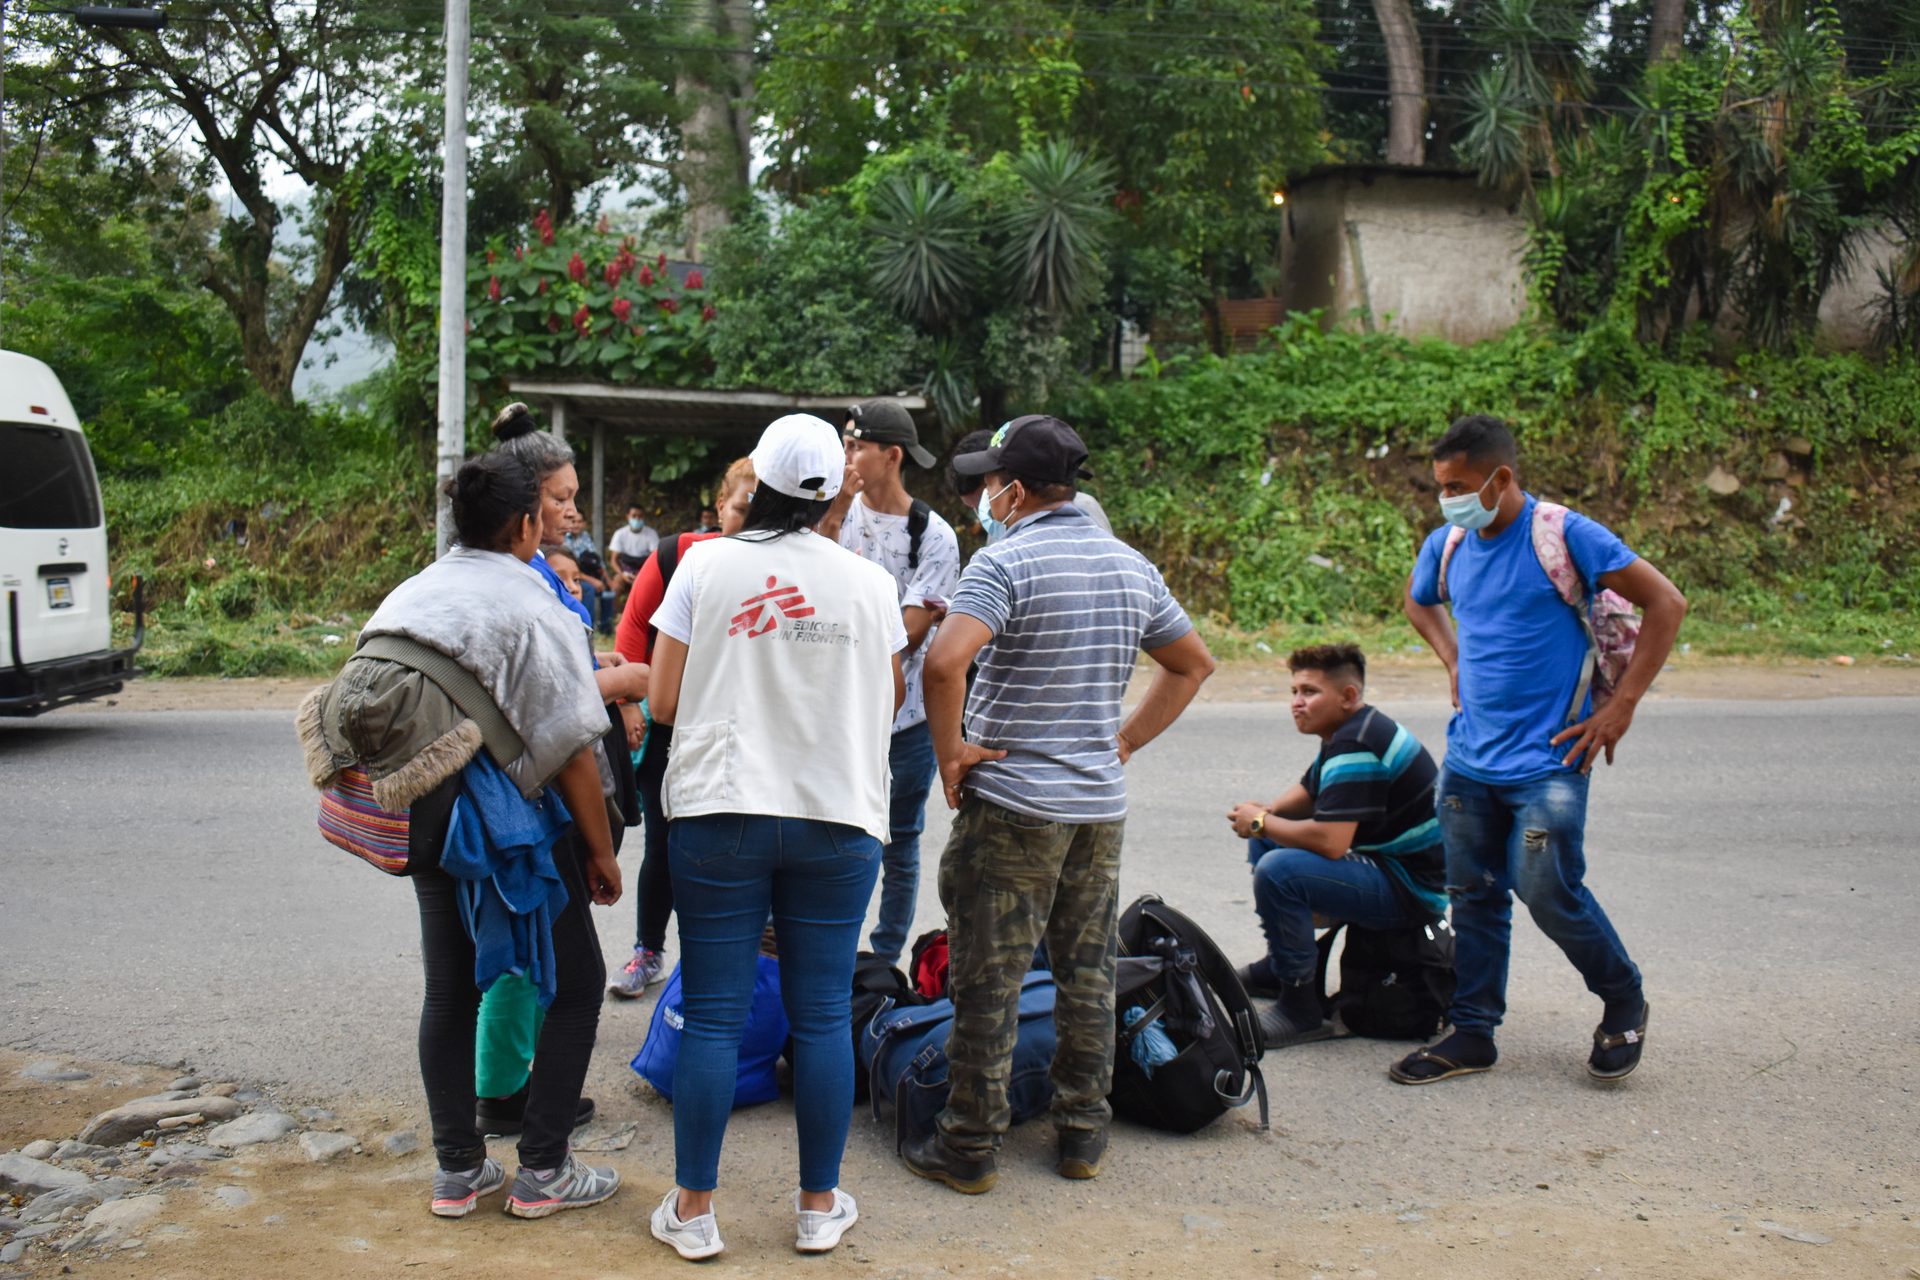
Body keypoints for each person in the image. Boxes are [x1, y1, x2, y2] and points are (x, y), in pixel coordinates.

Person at [300, 452, 623, 1219]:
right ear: (524, 525)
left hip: (408, 810)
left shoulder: (414, 588)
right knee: (576, 985)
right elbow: (574, 746)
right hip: (486, 821)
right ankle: (544, 1172)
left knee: (449, 987)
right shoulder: (531, 600)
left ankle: (459, 1172)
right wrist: (602, 853)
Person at [904, 415, 1215, 1194]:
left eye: (989, 483)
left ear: (1016, 488)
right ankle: (1082, 1135)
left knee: (988, 976)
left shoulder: (1003, 563)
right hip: (1095, 810)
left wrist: (951, 754)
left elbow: (944, 663)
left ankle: (969, 1144)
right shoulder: (1129, 565)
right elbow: (1191, 664)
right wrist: (1127, 740)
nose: (983, 496)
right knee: (1088, 972)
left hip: (1012, 805)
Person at [643, 415, 905, 1260]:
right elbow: (889, 696)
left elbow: (664, 703)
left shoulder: (704, 565)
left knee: (715, 1016)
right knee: (823, 1014)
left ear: (757, 482)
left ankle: (694, 1211)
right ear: (839, 488)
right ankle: (818, 1208)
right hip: (837, 815)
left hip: (721, 810)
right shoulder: (869, 585)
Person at [1392, 414, 1687, 1086]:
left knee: (1547, 889)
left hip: (1549, 762)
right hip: (1469, 759)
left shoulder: (1564, 535)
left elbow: (1667, 602)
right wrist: (1452, 658)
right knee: (1472, 895)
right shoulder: (1449, 544)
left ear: (1502, 478)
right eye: (1440, 487)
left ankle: (1621, 997)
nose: (1448, 500)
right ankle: (1472, 1032)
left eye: (1460, 485)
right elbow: (1418, 604)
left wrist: (1622, 706)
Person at [476, 406, 647, 1138]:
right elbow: (551, 702)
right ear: (521, 505)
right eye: (557, 497)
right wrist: (628, 678)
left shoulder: (534, 572)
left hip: (530, 785)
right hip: (539, 790)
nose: (572, 509)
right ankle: (513, 1106)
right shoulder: (523, 580)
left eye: (574, 495)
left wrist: (599, 664)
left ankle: (503, 1087)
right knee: (535, 947)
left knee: (528, 943)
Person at [1225, 643, 1447, 1047]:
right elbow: (1311, 789)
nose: (1296, 703)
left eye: (1309, 692)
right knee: (1268, 843)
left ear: (1347, 696)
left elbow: (1330, 843)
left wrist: (1260, 821)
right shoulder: (1350, 730)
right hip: (1384, 863)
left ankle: (1300, 1007)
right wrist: (1269, 812)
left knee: (1279, 871)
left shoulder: (1357, 744)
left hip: (1410, 889)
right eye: (1293, 691)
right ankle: (1282, 967)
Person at [814, 399, 961, 965]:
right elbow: (810, 573)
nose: (846, 456)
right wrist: (836, 507)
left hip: (907, 720)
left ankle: (881, 959)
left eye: (856, 447)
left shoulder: (935, 536)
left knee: (898, 842)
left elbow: (912, 630)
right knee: (830, 834)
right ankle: (826, 949)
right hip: (833, 712)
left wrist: (844, 631)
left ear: (891, 455)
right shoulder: (833, 513)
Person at [607, 457, 756, 997]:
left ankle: (712, 962)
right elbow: (630, 635)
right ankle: (649, 950)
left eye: (762, 510)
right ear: (720, 505)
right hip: (667, 726)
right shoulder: (675, 555)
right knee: (665, 846)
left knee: (731, 847)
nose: (750, 519)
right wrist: (627, 705)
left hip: (738, 729)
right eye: (741, 508)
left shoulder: (777, 569)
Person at [946, 426, 1114, 539]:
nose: (984, 515)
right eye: (976, 509)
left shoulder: (1085, 510)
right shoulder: (1000, 530)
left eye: (987, 500)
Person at [609, 502, 660, 581]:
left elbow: (656, 558)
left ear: (643, 517)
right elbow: (613, 560)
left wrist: (643, 576)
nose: (637, 519)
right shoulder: (619, 534)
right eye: (634, 516)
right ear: (627, 516)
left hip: (644, 571)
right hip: (625, 571)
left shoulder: (651, 534)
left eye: (640, 516)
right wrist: (622, 575)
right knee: (616, 584)